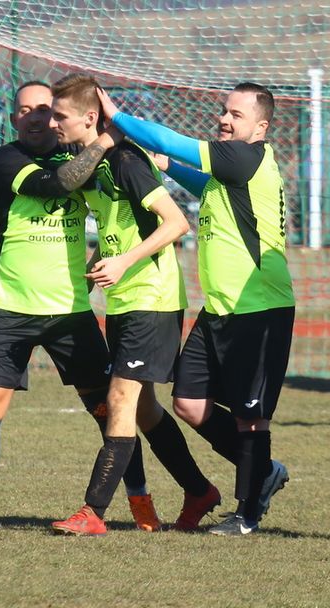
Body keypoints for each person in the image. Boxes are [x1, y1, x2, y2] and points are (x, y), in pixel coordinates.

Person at [0, 81, 162, 534]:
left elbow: (120, 192)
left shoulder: (82, 154)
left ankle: (140, 501)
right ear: (14, 119)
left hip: (70, 311)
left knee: (110, 412)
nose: (37, 117)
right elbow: (57, 184)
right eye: (26, 110)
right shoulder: (7, 159)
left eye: (46, 109)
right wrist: (106, 140)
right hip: (10, 308)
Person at [96, 81, 292, 537]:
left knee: (250, 416)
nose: (224, 119)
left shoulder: (247, 157)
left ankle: (247, 514)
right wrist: (166, 167)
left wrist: (118, 118)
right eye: (224, 111)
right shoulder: (232, 173)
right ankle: (263, 471)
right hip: (220, 308)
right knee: (187, 401)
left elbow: (172, 141)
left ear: (261, 127)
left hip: (258, 308)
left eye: (236, 115)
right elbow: (205, 185)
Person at [47, 74, 221, 536]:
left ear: (89, 117)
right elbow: (118, 228)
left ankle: (93, 512)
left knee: (120, 398)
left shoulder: (125, 160)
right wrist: (97, 265)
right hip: (125, 299)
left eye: (60, 115)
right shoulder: (94, 161)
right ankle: (199, 491)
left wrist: (123, 262)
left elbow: (176, 223)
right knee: (144, 410)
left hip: (153, 298)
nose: (53, 123)